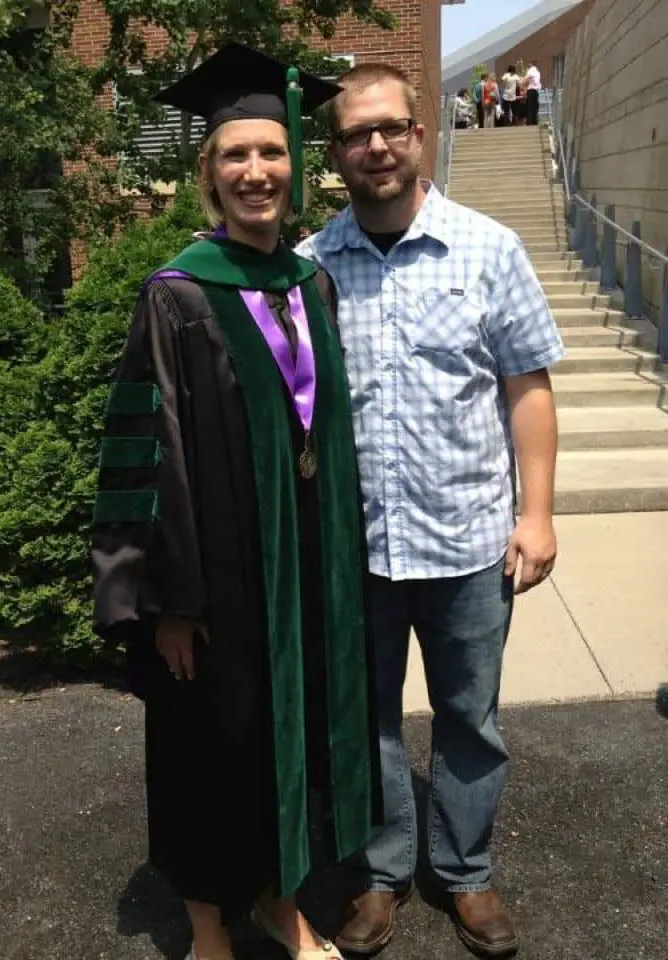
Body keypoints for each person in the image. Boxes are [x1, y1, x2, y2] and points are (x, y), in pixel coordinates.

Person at [92, 42, 382, 960]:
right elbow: (144, 452)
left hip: (300, 577)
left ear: (297, 164)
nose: (255, 172)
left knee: (280, 748)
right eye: (234, 156)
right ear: (208, 175)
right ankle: (209, 923)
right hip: (212, 583)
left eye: (271, 153)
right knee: (209, 747)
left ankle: (279, 898)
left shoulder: (311, 284)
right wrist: (168, 601)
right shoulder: (177, 296)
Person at [297, 62, 563, 957]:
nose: (375, 145)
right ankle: (382, 872)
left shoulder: (490, 248)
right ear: (335, 153)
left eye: (391, 128)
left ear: (419, 133)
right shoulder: (309, 269)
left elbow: (527, 388)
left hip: (467, 544)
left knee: (469, 719)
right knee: (367, 720)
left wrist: (538, 516)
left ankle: (466, 872)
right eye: (355, 135)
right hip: (356, 551)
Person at [523, 59, 542, 126]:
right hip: (536, 91)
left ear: (531, 64)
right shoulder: (538, 72)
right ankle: (535, 122)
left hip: (530, 91)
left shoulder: (530, 70)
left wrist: (522, 83)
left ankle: (529, 123)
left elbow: (525, 80)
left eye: (529, 63)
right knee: (535, 108)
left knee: (529, 108)